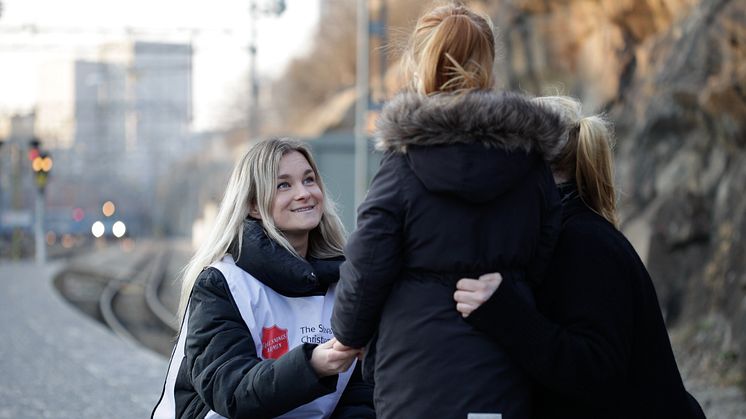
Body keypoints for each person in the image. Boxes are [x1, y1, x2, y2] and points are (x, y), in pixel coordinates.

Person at [331, 3, 566, 418]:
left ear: (420, 64)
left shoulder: (404, 164)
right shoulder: (532, 164)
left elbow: (367, 264)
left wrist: (348, 332)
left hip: (416, 380)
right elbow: (545, 257)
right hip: (502, 370)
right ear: (489, 64)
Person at [453, 96, 706, 418]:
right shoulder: (567, 232)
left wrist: (506, 313)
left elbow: (595, 369)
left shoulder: (584, 242)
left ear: (530, 168)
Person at [152, 138, 375, 419]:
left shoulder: (346, 283)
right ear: (254, 206)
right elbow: (230, 390)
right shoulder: (221, 283)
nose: (304, 193)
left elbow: (363, 391)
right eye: (284, 185)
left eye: (309, 180)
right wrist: (312, 365)